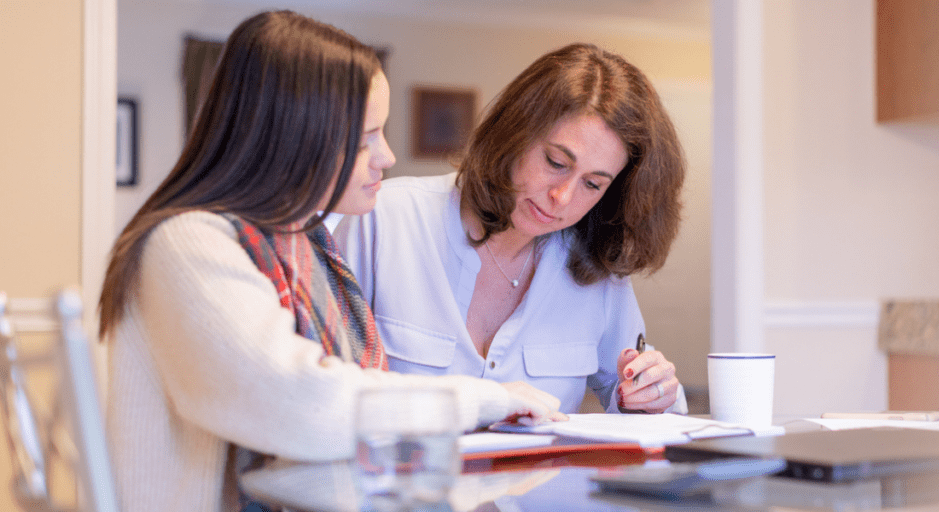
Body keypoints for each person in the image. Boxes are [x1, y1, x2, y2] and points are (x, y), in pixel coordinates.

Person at [97, 11, 563, 511]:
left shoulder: (304, 243)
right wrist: (484, 400)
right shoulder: (188, 244)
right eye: (364, 140)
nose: (386, 157)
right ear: (293, 141)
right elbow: (298, 404)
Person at [333, 43, 688, 415]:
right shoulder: (382, 220)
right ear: (515, 132)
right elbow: (319, 393)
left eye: (592, 184)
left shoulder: (596, 267)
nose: (562, 197)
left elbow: (635, 395)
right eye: (556, 162)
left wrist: (650, 392)